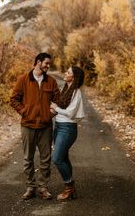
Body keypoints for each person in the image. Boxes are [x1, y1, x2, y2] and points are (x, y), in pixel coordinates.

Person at [10, 53, 60, 200]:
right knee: (28, 158)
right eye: (46, 63)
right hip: (28, 125)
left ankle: (43, 187)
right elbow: (14, 99)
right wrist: (24, 112)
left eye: (49, 64)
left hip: (45, 126)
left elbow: (58, 100)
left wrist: (49, 114)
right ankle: (30, 187)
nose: (48, 66)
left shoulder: (51, 81)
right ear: (38, 62)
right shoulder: (24, 79)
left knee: (46, 158)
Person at [50, 66, 85, 201]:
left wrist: (56, 107)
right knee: (63, 157)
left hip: (68, 129)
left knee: (57, 158)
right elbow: (59, 108)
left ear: (74, 77)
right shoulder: (66, 89)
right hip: (58, 126)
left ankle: (69, 187)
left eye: (68, 72)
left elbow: (70, 113)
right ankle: (70, 189)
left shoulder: (76, 92)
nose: (65, 73)